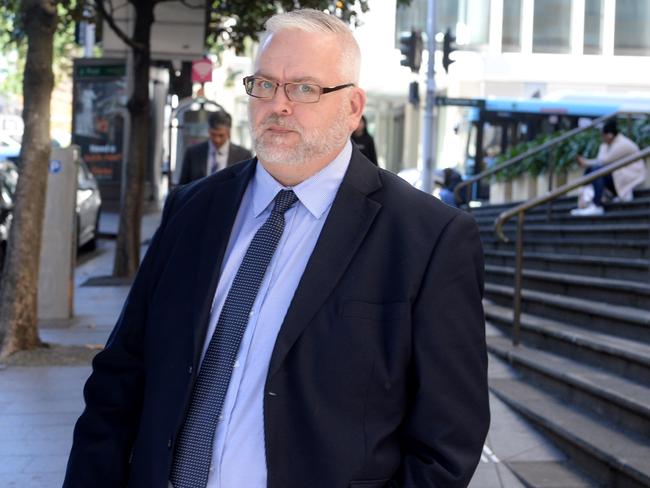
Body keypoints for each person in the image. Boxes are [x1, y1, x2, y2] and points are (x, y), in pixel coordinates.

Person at [64, 9, 488, 488]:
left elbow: (448, 440)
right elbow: (120, 377)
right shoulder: (193, 209)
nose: (278, 105)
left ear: (352, 108)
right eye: (265, 85)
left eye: (304, 88)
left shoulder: (428, 237)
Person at [571, 119, 646, 216]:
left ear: (610, 135)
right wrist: (587, 164)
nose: (601, 138)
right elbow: (600, 160)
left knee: (596, 170)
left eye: (602, 135)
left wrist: (585, 162)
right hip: (616, 177)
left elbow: (604, 161)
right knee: (591, 170)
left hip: (628, 179)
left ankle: (597, 205)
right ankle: (587, 201)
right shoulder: (605, 145)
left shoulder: (623, 144)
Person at [178, 110, 252, 184]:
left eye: (221, 135)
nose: (217, 140)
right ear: (208, 130)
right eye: (213, 134)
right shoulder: (192, 153)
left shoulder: (243, 156)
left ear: (229, 132)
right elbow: (183, 186)